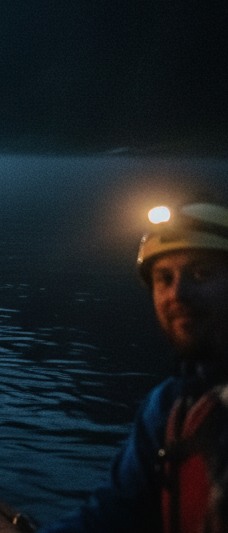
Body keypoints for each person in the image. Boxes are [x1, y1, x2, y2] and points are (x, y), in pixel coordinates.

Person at [40, 201, 228, 533]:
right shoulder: (168, 407)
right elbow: (111, 515)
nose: (177, 293)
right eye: (163, 278)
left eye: (201, 273)